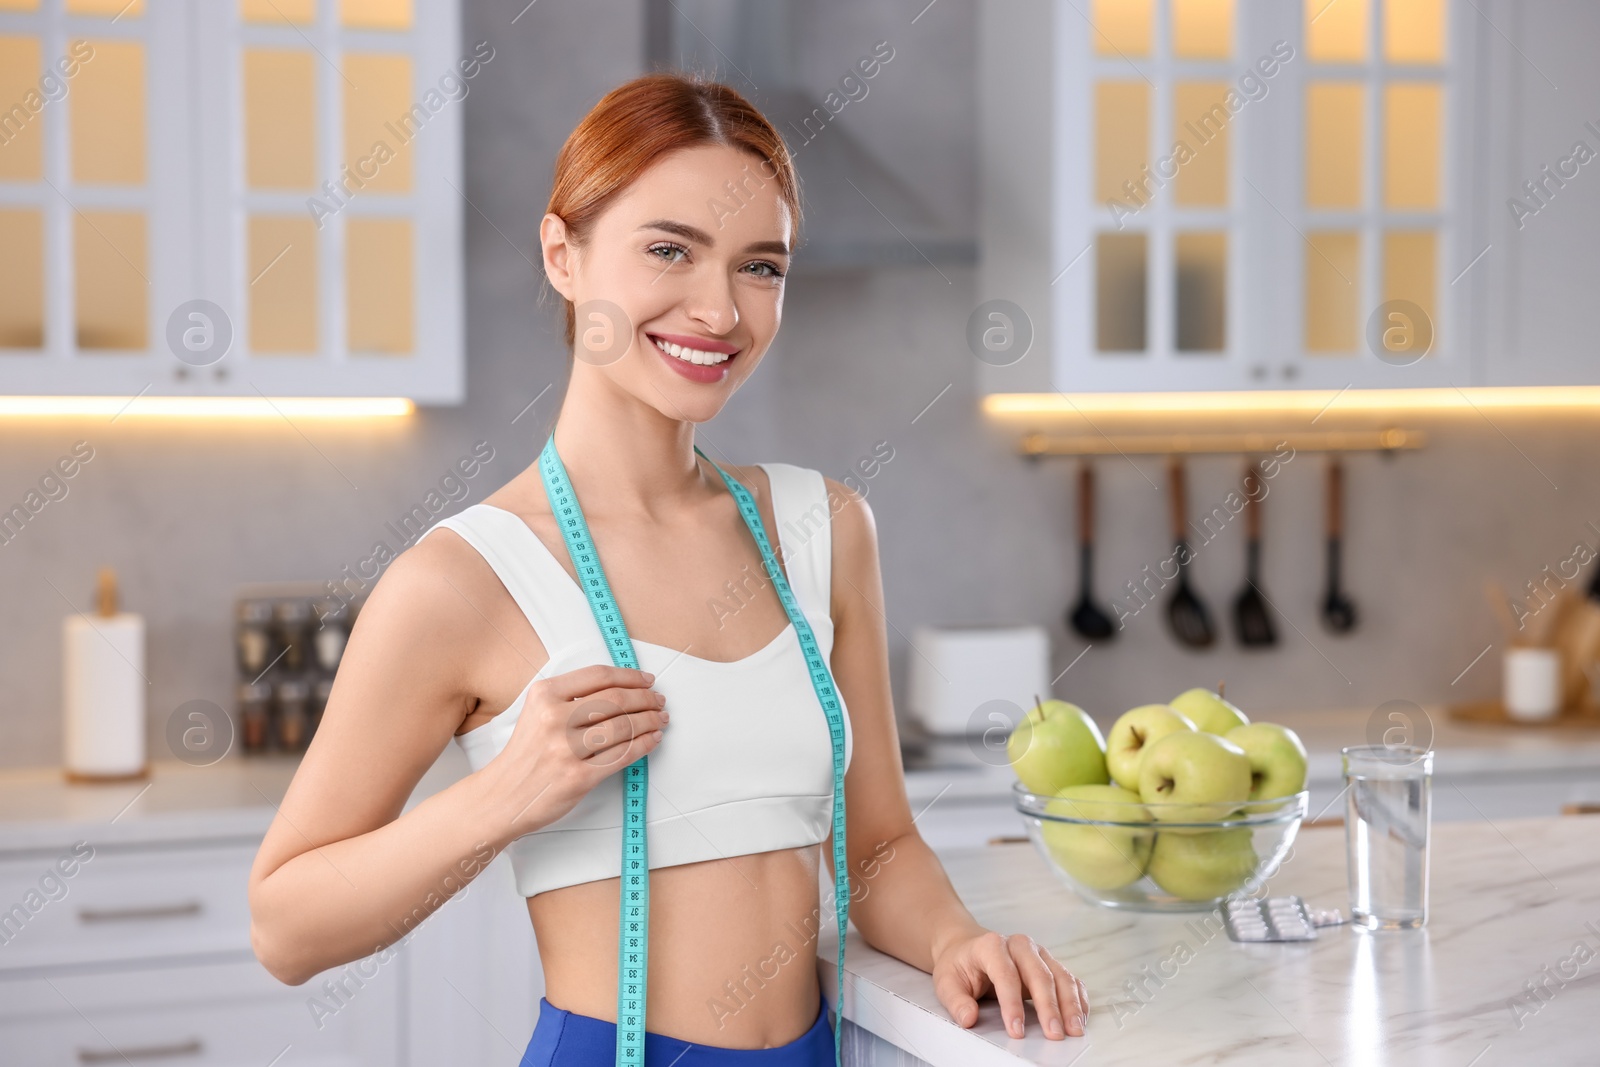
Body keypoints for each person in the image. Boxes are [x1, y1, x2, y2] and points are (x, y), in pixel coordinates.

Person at [248, 71, 1088, 1065]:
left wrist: (957, 936)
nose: (718, 309)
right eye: (668, 250)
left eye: (759, 266)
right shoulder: (462, 580)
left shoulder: (826, 529)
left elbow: (877, 847)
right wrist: (504, 792)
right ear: (563, 254)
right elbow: (285, 927)